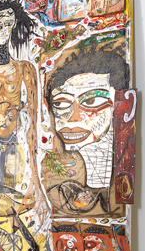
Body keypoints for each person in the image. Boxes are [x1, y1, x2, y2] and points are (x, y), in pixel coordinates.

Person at [0, 0, 48, 223]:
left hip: (14, 138)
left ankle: (11, 233)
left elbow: (33, 117)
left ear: (14, 25)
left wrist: (36, 181)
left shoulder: (25, 69)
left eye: (7, 23)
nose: (3, 29)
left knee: (11, 195)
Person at [43, 46, 129, 216]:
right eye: (61, 104)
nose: (73, 118)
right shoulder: (61, 184)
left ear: (117, 105)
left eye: (91, 102)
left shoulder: (122, 180)